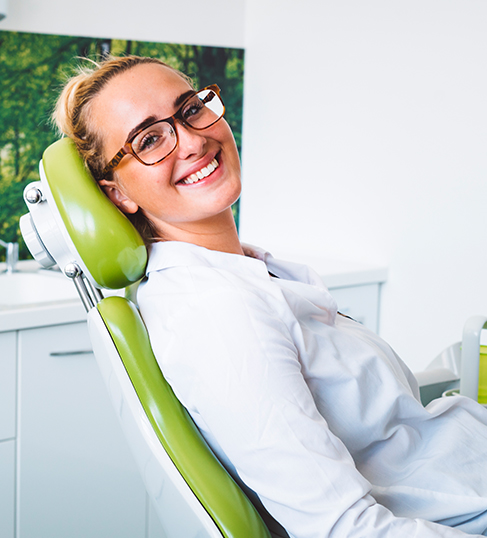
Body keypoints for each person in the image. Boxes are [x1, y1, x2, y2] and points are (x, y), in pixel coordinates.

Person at [53, 55, 487, 538]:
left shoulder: (243, 273)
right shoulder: (217, 312)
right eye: (150, 139)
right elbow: (345, 529)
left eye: (191, 109)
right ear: (118, 196)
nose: (193, 140)